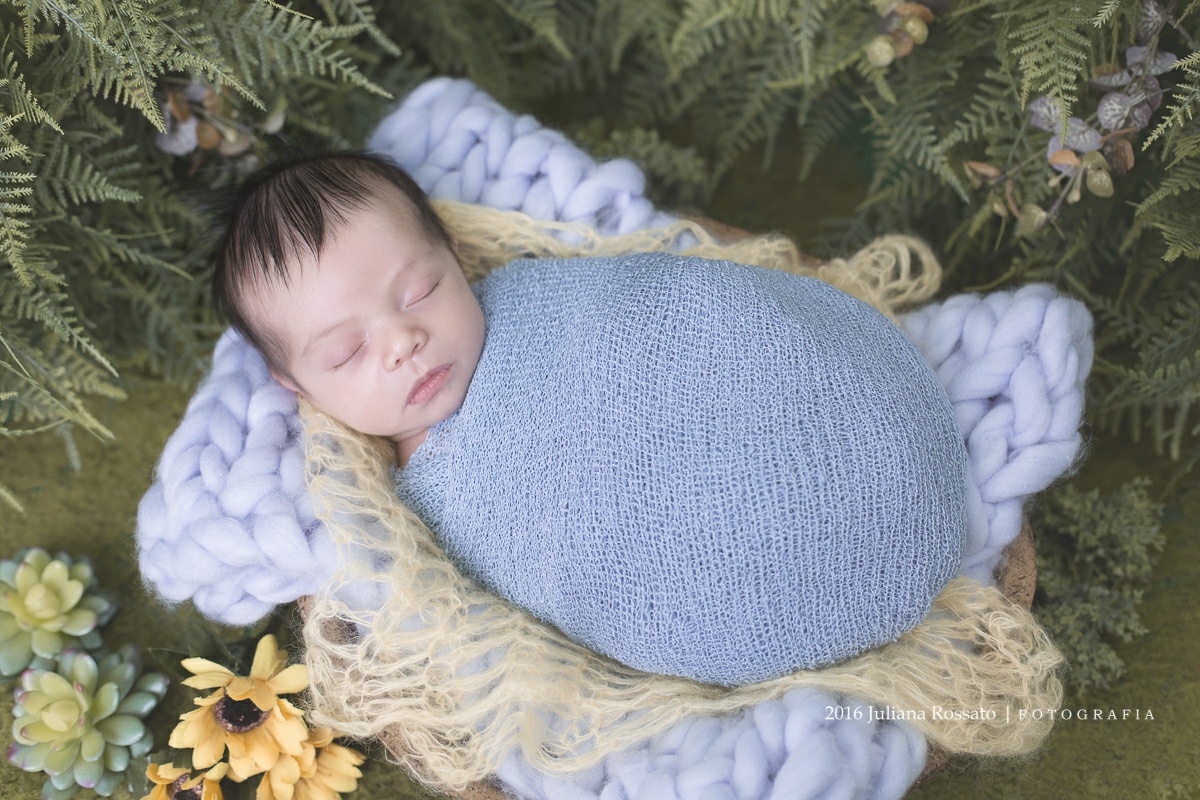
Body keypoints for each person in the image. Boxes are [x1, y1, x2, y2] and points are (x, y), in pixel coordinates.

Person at [214, 151, 968, 686]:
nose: (402, 342)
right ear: (297, 386)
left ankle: (872, 449)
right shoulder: (416, 507)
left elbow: (679, 314)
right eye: (346, 352)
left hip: (828, 427)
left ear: (454, 252)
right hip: (716, 559)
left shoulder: (539, 298)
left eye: (418, 292)